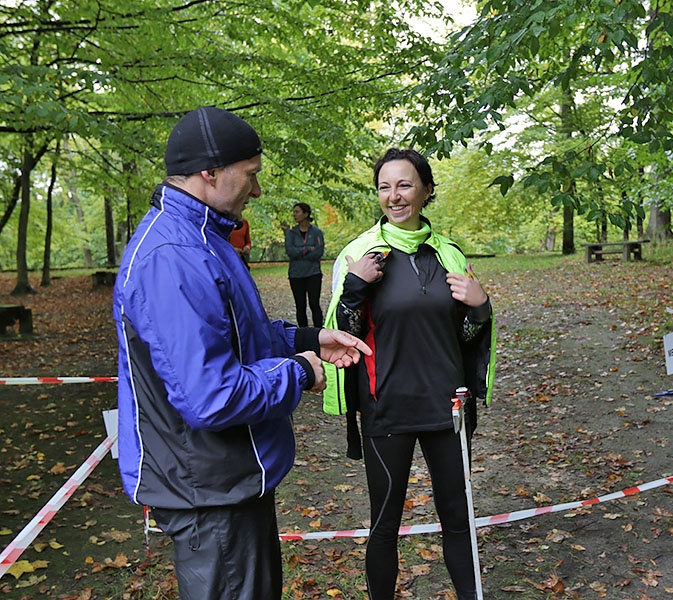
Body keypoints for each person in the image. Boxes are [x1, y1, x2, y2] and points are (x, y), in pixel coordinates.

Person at [112, 106, 370, 600]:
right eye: (250, 175)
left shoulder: (205, 238)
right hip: (209, 491)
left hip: (227, 481)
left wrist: (308, 339)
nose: (256, 189)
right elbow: (211, 396)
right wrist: (298, 373)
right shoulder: (174, 257)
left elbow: (236, 332)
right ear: (210, 172)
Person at [322, 148, 497, 599]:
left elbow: (466, 337)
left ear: (426, 190)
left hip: (448, 409)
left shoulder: (450, 256)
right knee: (385, 525)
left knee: (457, 520)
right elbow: (344, 337)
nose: (393, 195)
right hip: (387, 409)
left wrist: (480, 307)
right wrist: (355, 288)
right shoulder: (360, 255)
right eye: (384, 186)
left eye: (403, 184)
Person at [285, 202, 324, 327]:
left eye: (297, 212)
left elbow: (318, 252)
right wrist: (308, 249)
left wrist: (300, 251)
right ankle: (304, 333)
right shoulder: (291, 233)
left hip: (313, 274)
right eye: (294, 212)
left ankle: (319, 331)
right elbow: (290, 251)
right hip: (296, 275)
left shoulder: (317, 232)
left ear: (306, 214)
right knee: (300, 306)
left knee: (314, 304)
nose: (294, 215)